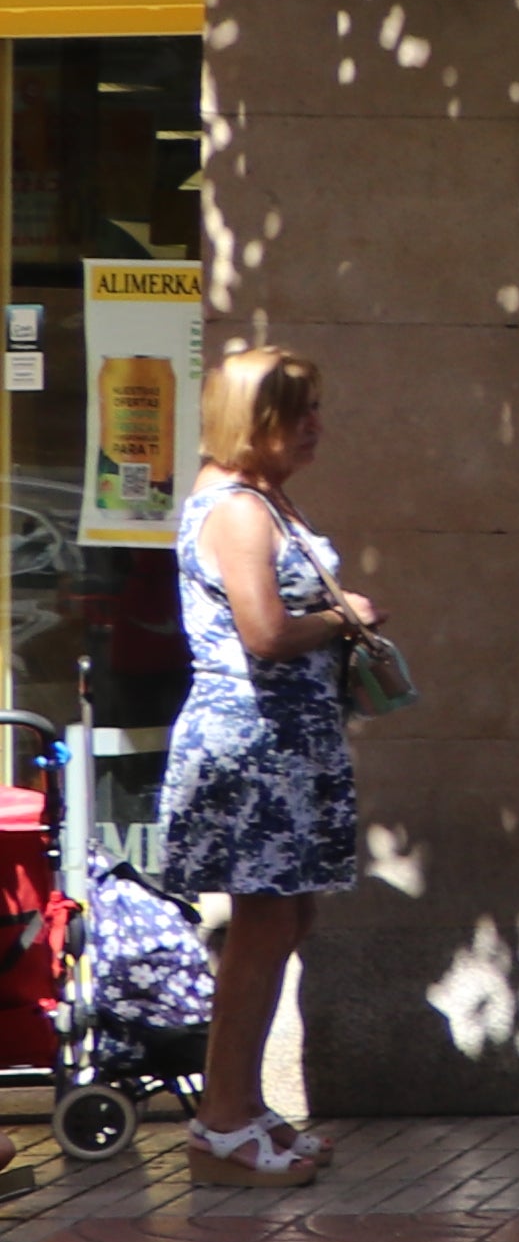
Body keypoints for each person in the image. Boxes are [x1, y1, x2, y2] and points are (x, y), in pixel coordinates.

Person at [157, 342, 376, 1184]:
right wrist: (344, 616)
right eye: (299, 412)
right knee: (264, 926)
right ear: (256, 423)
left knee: (288, 921)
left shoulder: (262, 499)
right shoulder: (238, 509)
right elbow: (267, 633)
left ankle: (241, 1106)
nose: (317, 426)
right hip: (255, 743)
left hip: (288, 740)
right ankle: (219, 1123)